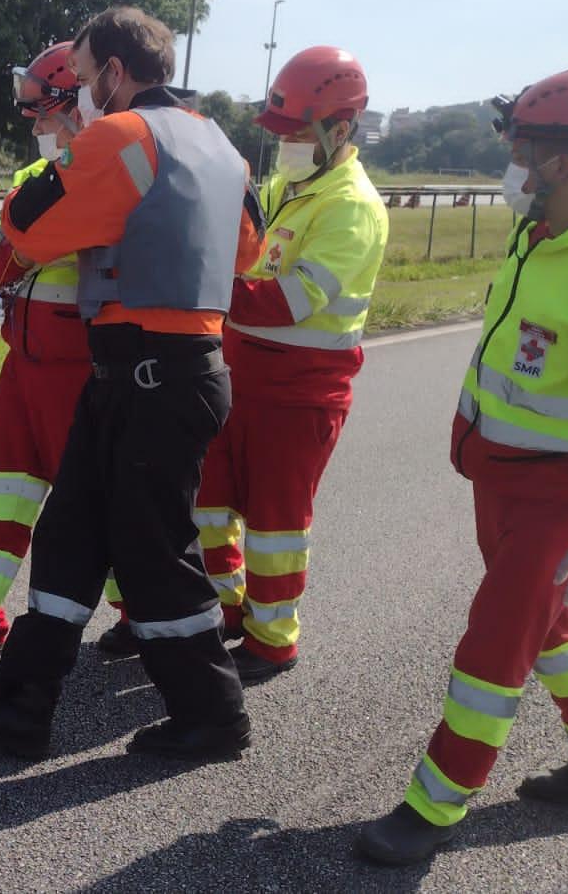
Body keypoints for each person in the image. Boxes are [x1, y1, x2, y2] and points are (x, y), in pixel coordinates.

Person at [354, 66, 568, 865]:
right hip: (504, 483)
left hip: (564, 500)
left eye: (519, 148)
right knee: (552, 632)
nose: (508, 163)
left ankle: (434, 806)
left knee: (496, 645)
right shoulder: (539, 233)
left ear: (562, 164)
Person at [0, 7, 259, 761]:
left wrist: (77, 157)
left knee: (155, 551)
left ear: (114, 71)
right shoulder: (220, 145)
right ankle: (23, 704)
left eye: (81, 78)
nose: (79, 93)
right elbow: (247, 251)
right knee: (71, 532)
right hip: (166, 373)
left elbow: (25, 225)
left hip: (151, 374)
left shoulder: (117, 137)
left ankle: (214, 714)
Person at [0, 43, 126, 670]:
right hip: (26, 368)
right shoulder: (34, 179)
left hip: (81, 375)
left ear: (78, 105)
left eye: (43, 113)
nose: (34, 127)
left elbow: (1, 259)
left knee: (95, 511)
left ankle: (138, 616)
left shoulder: (101, 178)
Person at [191, 46, 389, 683]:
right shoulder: (284, 188)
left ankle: (272, 639)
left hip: (300, 393)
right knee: (209, 504)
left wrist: (198, 283)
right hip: (239, 376)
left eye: (299, 134)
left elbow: (290, 301)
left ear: (341, 130)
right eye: (280, 134)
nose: (287, 145)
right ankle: (227, 612)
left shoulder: (351, 207)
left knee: (276, 524)